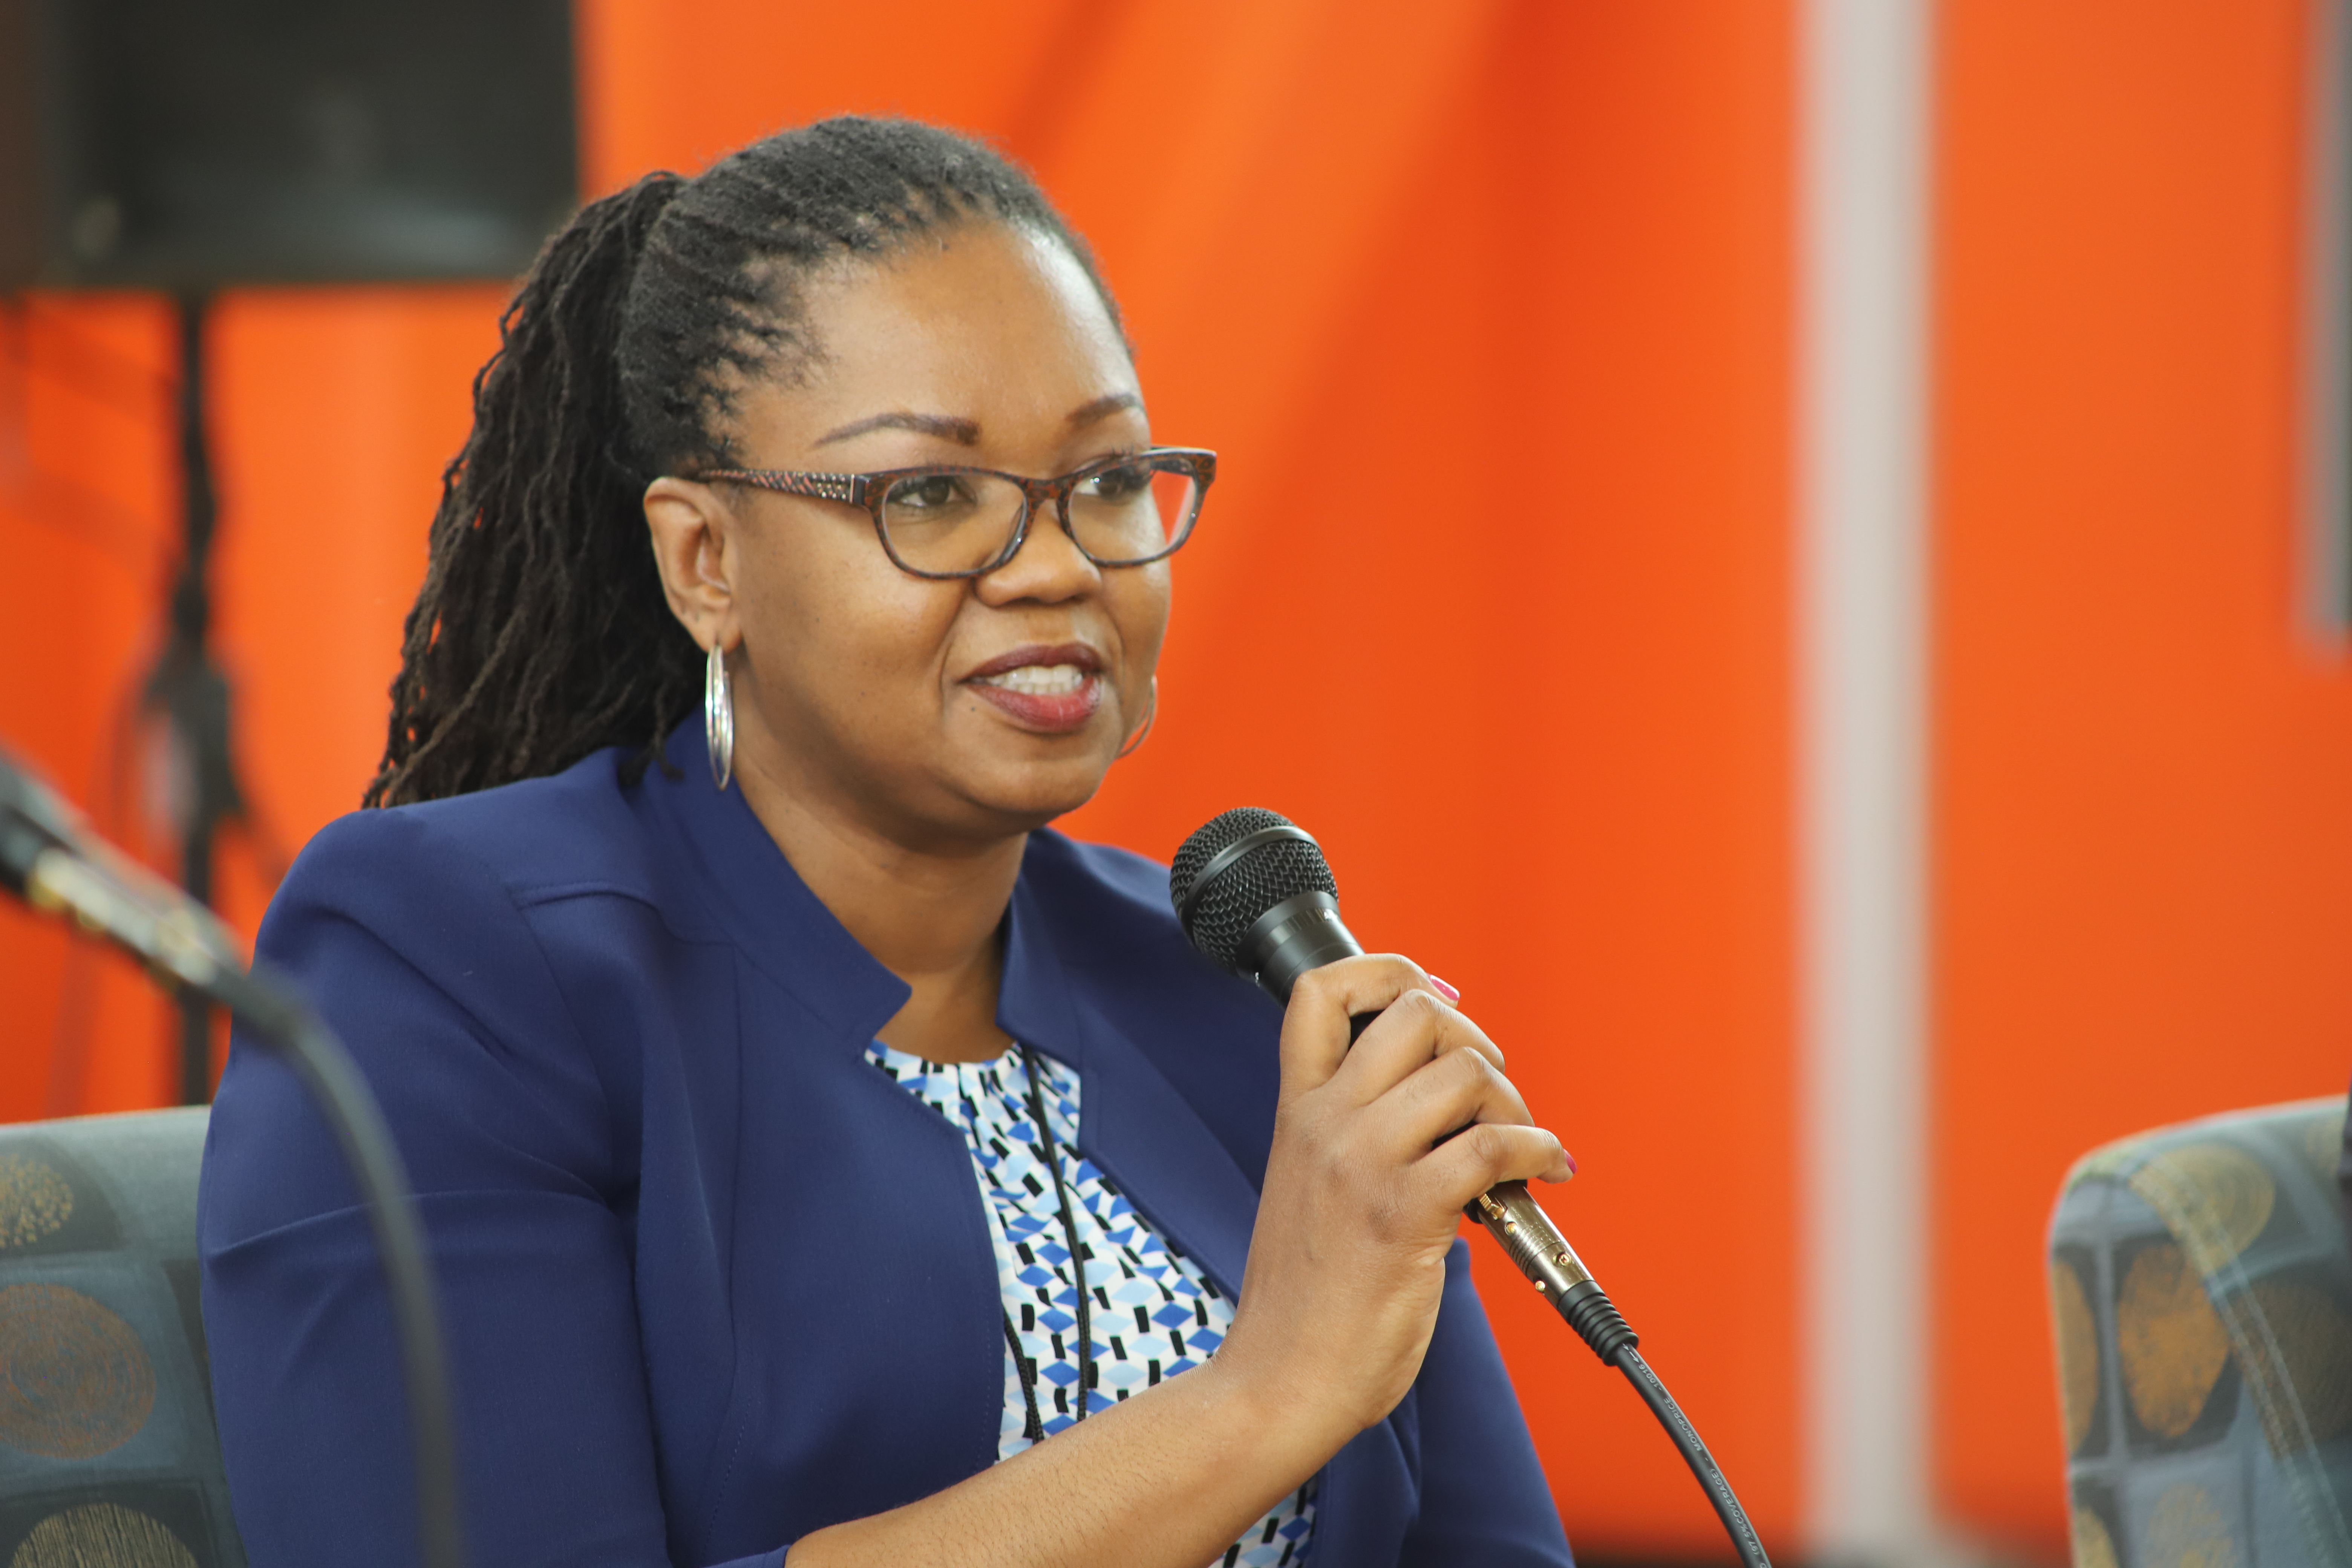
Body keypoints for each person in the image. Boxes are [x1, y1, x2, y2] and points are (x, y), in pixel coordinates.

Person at [198, 117, 1576, 1568]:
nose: (1059, 567)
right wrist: (1268, 1395)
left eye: (1110, 479)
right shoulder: (450, 960)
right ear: (705, 561)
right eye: (929, 495)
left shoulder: (1239, 986)